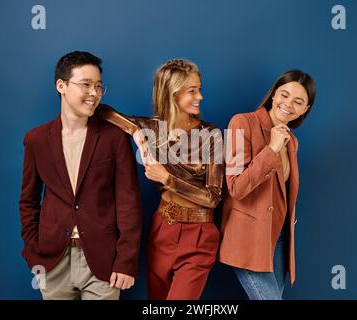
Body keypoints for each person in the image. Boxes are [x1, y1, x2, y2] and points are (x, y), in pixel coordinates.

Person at [96, 59, 224, 300]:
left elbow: (213, 197)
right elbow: (103, 111)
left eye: (199, 88)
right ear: (172, 94)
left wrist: (167, 178)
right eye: (192, 91)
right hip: (162, 229)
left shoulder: (211, 135)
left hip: (199, 234)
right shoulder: (151, 128)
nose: (200, 97)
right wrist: (136, 132)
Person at [19, 51, 142, 300]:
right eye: (85, 84)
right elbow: (28, 201)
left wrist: (126, 261)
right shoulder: (36, 140)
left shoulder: (114, 138)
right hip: (53, 261)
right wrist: (33, 252)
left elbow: (129, 202)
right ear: (61, 86)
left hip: (103, 261)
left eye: (98, 86)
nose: (94, 93)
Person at [219, 69, 316, 300]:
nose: (288, 104)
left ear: (305, 109)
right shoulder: (241, 122)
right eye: (284, 94)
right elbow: (236, 187)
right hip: (248, 238)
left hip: (279, 240)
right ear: (273, 95)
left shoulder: (292, 141)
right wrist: (271, 149)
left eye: (298, 101)